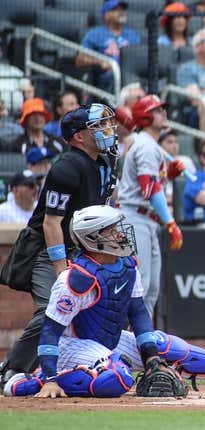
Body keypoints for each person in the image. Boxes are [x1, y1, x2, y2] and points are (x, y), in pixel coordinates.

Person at [3, 205, 205, 398]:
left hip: (106, 340)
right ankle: (29, 382)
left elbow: (138, 314)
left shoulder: (126, 264)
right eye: (112, 230)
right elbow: (50, 332)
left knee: (160, 342)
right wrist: (50, 378)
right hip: (71, 346)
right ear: (94, 238)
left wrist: (152, 359)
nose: (120, 234)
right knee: (119, 379)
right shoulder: (75, 279)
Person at [0, 104, 119, 389]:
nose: (107, 131)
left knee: (93, 312)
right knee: (54, 309)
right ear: (79, 137)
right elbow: (51, 223)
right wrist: (61, 268)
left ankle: (70, 367)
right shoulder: (67, 166)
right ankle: (10, 369)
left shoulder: (104, 163)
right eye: (98, 127)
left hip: (82, 249)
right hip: (48, 249)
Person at [116, 95, 185, 317]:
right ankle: (122, 342)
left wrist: (167, 175)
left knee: (150, 289)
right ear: (146, 116)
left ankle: (140, 344)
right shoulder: (146, 146)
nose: (163, 113)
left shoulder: (148, 145)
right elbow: (150, 190)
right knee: (140, 286)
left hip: (144, 220)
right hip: (136, 218)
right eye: (157, 110)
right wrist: (171, 223)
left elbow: (150, 185)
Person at [76, 0, 141, 91]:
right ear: (106, 15)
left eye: (122, 9)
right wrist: (101, 61)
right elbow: (80, 59)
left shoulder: (132, 35)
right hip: (109, 76)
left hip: (131, 74)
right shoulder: (95, 33)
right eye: (115, 10)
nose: (121, 12)